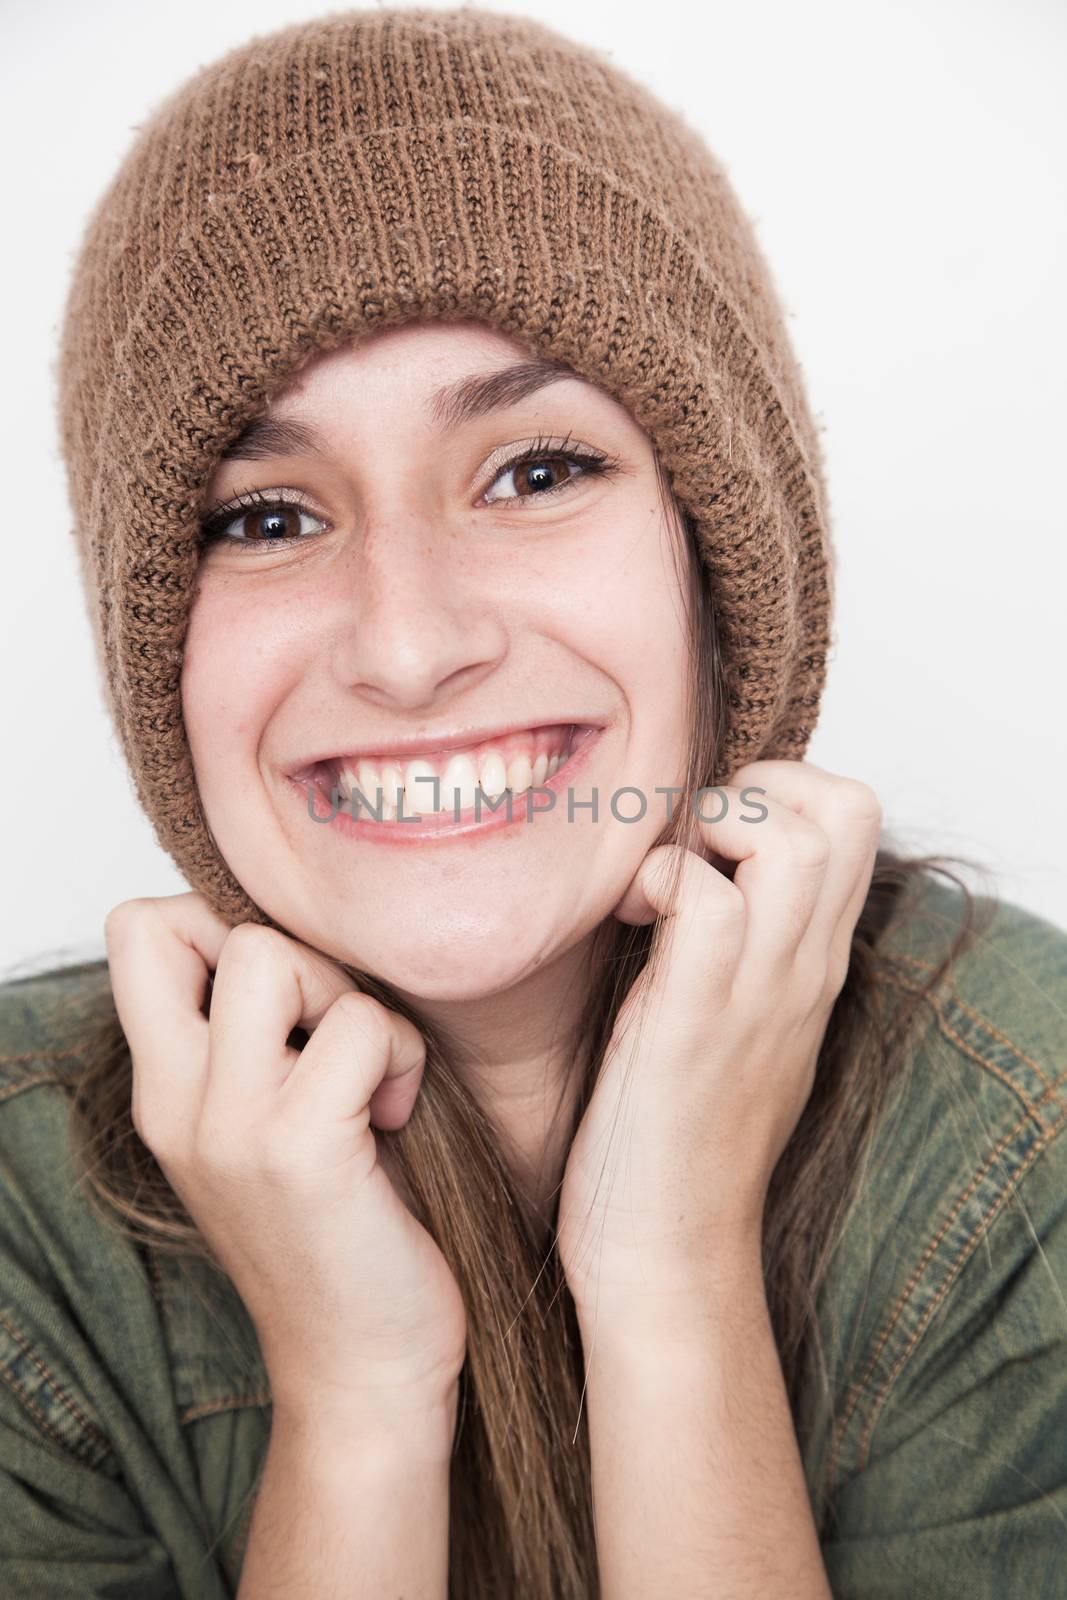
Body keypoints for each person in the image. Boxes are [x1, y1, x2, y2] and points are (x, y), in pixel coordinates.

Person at [2, 6, 1065, 1597]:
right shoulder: (28, 1223)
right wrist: (357, 1403)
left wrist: (672, 1275)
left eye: (537, 472)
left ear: (722, 558)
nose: (413, 645)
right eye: (271, 514)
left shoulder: (1016, 1135)